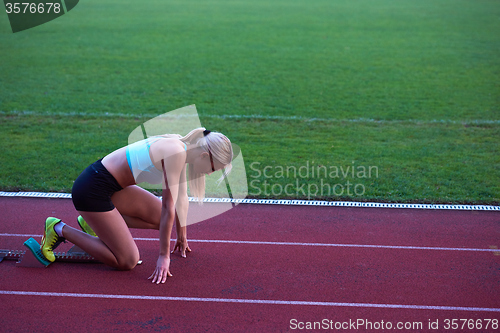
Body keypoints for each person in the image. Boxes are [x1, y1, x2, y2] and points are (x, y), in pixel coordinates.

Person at [40, 128, 233, 284]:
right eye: (213, 169)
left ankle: (93, 223)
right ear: (204, 156)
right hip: (91, 190)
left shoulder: (184, 149)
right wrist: (163, 256)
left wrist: (182, 236)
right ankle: (58, 229)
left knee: (160, 219)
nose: (209, 174)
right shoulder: (176, 152)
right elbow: (168, 206)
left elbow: (181, 197)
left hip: (113, 188)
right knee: (127, 261)